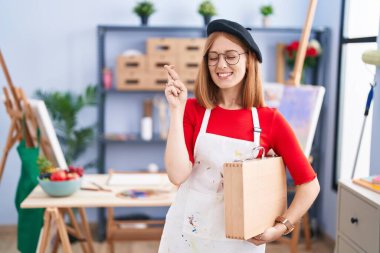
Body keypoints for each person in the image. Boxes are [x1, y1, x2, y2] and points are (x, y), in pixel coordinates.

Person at [159, 19, 320, 253]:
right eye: (213, 57)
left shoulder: (269, 120)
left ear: (249, 60)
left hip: (240, 243)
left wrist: (280, 227)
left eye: (231, 55)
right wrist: (177, 109)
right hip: (185, 237)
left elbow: (309, 184)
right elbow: (176, 174)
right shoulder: (193, 110)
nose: (221, 64)